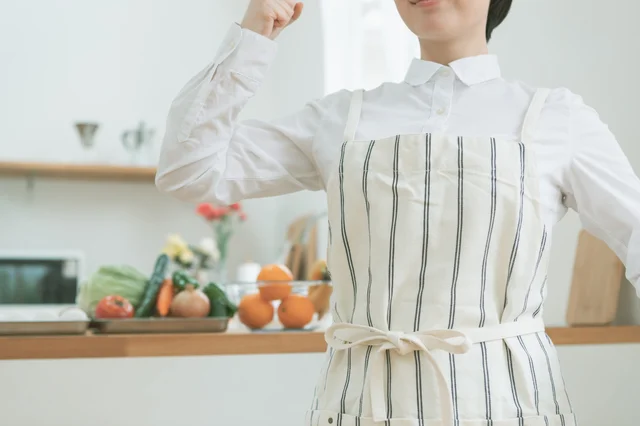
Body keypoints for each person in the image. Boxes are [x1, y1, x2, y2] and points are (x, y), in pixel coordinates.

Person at [156, 1, 640, 425]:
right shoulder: (342, 118)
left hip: (510, 402)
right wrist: (254, 35)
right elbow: (188, 169)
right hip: (359, 403)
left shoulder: (555, 118)